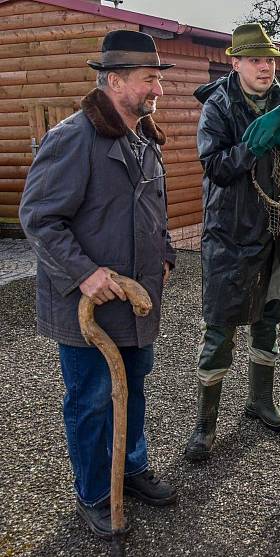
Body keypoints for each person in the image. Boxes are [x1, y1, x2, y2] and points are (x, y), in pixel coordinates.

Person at [19, 30, 177, 540]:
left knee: (132, 388)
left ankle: (130, 469)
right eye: (150, 78)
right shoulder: (73, 138)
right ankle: (93, 491)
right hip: (85, 305)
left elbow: (156, 214)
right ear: (115, 80)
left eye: (158, 78)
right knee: (91, 398)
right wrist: (85, 273)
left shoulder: (146, 137)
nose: (159, 88)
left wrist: (167, 253)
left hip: (135, 302)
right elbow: (40, 218)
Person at [185, 23, 280, 461]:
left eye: (269, 59)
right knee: (221, 327)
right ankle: (204, 424)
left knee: (269, 315)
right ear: (236, 62)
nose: (264, 66)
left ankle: (260, 401)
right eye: (255, 59)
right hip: (232, 234)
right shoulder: (219, 105)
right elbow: (216, 166)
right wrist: (256, 143)